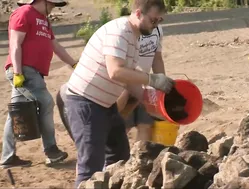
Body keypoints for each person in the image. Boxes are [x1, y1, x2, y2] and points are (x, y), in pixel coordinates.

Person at [63, 0, 173, 187]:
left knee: (119, 155)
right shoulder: (119, 32)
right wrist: (152, 80)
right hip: (85, 103)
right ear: (138, 13)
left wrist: (150, 100)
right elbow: (116, 71)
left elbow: (127, 79)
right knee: (90, 168)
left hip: (106, 104)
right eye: (153, 20)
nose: (156, 26)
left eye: (159, 21)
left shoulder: (134, 36)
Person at [1, 0, 76, 169]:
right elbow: (15, 43)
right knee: (46, 102)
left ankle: (7, 157)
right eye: (52, 4)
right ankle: (51, 151)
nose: (53, 8)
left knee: (16, 113)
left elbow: (55, 46)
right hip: (25, 71)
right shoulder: (24, 12)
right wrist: (18, 72)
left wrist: (74, 64)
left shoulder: (44, 20)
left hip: (33, 72)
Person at [124, 24, 165, 142]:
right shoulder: (127, 29)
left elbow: (157, 58)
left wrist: (162, 84)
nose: (157, 20)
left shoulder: (157, 29)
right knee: (123, 126)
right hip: (125, 86)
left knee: (145, 125)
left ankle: (140, 157)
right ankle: (116, 159)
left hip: (146, 86)